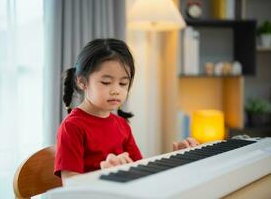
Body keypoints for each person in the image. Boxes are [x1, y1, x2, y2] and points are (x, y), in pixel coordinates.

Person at [54, 38, 199, 184]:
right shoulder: (72, 126)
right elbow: (70, 183)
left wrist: (176, 158)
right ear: (82, 82)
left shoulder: (121, 124)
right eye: (106, 82)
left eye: (123, 83)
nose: (116, 90)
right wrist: (105, 175)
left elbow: (140, 169)